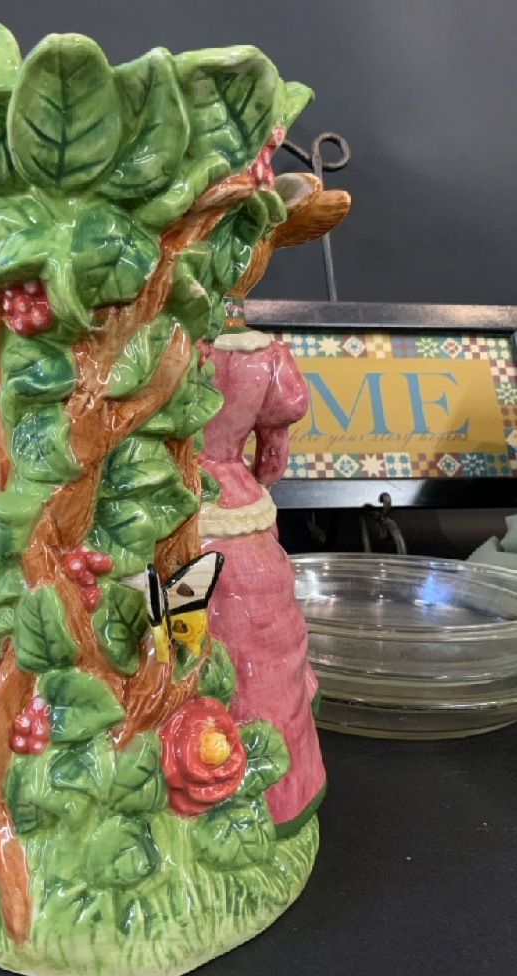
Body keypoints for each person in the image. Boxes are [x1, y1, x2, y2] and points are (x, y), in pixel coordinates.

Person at [200, 174, 350, 833]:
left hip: (176, 506)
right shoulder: (264, 359)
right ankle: (274, 785)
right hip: (238, 509)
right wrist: (257, 481)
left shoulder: (174, 352)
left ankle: (209, 775)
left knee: (185, 622)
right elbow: (275, 448)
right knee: (256, 629)